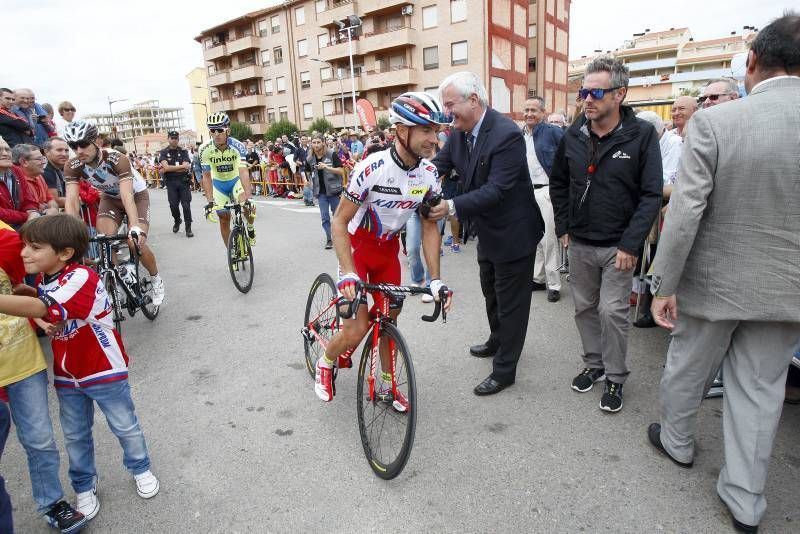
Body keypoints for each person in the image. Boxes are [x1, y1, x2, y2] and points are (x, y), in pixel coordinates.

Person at [646, 14, 800, 533]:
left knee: (687, 367)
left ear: (752, 62)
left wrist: (662, 284)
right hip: (788, 288)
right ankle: (745, 500)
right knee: (761, 390)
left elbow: (685, 213)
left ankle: (678, 442)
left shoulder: (716, 123)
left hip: (715, 283)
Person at [0, 214, 161, 525]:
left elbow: (47, 306)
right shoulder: (44, 280)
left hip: (103, 370)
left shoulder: (82, 276)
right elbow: (46, 307)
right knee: (74, 435)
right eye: (24, 246)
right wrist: (34, 302)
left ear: (65, 253)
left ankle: (140, 467)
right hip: (67, 375)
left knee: (124, 425)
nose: (23, 254)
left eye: (34, 247)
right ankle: (84, 486)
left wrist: (34, 305)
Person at [314, 92, 452, 406]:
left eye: (437, 131)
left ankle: (387, 386)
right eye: (427, 130)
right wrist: (348, 273)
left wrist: (435, 279)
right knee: (356, 327)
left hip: (388, 253)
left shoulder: (428, 174)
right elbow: (339, 223)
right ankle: (326, 361)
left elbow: (429, 224)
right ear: (402, 130)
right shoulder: (371, 167)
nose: (435, 138)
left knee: (388, 321)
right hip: (359, 250)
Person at [549, 56, 662, 413]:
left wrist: (632, 242)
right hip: (580, 241)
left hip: (619, 246)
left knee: (612, 311)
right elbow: (559, 182)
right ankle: (594, 365)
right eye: (584, 91)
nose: (587, 98)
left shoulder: (641, 134)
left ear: (620, 94)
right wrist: (564, 227)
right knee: (584, 308)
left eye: (596, 91)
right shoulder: (574, 133)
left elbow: (650, 194)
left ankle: (615, 377)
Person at [428, 72, 544, 396]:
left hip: (514, 233)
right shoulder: (459, 133)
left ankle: (505, 369)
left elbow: (497, 190)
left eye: (451, 105)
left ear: (474, 100)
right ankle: (497, 340)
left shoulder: (505, 133)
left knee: (512, 303)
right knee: (490, 292)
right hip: (487, 232)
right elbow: (439, 164)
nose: (448, 114)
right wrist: (414, 181)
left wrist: (450, 206)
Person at [0, 219, 88, 533]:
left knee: (40, 441)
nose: (27, 253)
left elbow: (28, 296)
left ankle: (52, 503)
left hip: (21, 360)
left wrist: (39, 321)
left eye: (33, 248)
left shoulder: (7, 238)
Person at [62, 120, 165, 306]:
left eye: (83, 144)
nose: (78, 151)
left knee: (135, 243)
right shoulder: (73, 165)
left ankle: (156, 278)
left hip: (135, 196)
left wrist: (134, 227)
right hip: (109, 199)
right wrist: (71, 231)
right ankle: (118, 278)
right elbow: (71, 200)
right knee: (104, 240)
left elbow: (127, 196)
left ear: (97, 141)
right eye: (73, 146)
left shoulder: (116, 158)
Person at [523, 97, 565, 303]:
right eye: (526, 110)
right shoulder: (520, 135)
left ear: (543, 113)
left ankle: (554, 284)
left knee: (549, 241)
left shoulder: (554, 133)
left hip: (547, 192)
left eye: (534, 110)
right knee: (534, 239)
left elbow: (567, 162)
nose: (529, 113)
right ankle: (538, 279)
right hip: (527, 193)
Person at [199, 112, 256, 246]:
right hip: (219, 185)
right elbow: (206, 176)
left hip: (235, 181)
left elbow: (243, 171)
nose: (216, 134)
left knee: (247, 207)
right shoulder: (204, 149)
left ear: (228, 130)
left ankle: (250, 227)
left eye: (220, 130)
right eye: (213, 130)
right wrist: (210, 201)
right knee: (224, 219)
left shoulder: (238, 146)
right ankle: (230, 251)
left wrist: (249, 197)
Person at [305, 134, 346, 249]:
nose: (316, 145)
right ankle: (329, 239)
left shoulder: (331, 154)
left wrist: (327, 167)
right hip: (320, 192)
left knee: (337, 216)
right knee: (324, 217)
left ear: (323, 142)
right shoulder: (309, 158)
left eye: (318, 142)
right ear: (311, 144)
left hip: (334, 191)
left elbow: (341, 171)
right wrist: (307, 180)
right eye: (314, 142)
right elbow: (306, 170)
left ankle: (340, 237)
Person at [158, 131, 194, 237]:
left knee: (186, 205)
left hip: (183, 181)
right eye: (172, 138)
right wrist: (179, 167)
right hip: (171, 182)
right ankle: (177, 220)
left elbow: (186, 166)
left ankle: (188, 228)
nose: (174, 140)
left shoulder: (183, 151)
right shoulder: (164, 152)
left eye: (176, 138)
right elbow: (166, 167)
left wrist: (169, 169)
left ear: (178, 139)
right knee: (173, 205)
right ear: (168, 139)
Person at [11, 144, 59, 217]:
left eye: (43, 158)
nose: (43, 162)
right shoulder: (14, 180)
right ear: (24, 162)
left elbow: (51, 200)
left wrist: (53, 209)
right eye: (39, 159)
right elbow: (28, 209)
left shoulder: (38, 176)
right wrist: (43, 208)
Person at [0, 136, 38, 227]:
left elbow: (28, 200)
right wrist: (26, 216)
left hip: (20, 224)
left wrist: (32, 212)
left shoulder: (16, 171)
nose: (5, 153)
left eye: (7, 149)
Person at [42, 137, 69, 208]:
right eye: (59, 150)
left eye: (66, 150)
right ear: (46, 152)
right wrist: (83, 199)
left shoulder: (59, 167)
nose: (64, 154)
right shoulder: (46, 171)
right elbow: (56, 201)